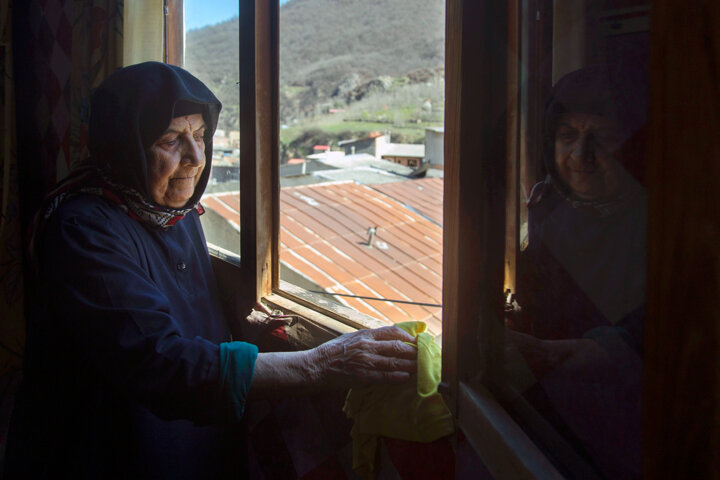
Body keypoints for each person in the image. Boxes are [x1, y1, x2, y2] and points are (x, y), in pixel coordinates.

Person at [5, 62, 417, 479]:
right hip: (104, 454)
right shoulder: (81, 230)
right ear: (123, 147)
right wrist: (319, 364)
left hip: (189, 444)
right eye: (171, 140)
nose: (196, 158)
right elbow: (161, 364)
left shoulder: (172, 210)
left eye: (200, 136)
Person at [507, 64, 647, 479]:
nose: (580, 156)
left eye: (602, 138)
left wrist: (600, 350)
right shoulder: (547, 205)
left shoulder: (668, 225)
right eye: (568, 136)